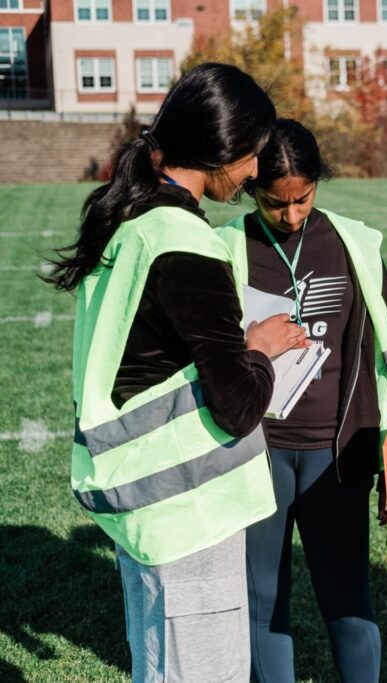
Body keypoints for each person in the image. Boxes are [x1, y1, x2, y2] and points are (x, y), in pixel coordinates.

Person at [46, 63, 307, 682]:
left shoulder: (129, 219)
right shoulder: (184, 239)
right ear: (228, 151)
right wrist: (261, 350)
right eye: (255, 157)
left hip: (141, 503)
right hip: (188, 506)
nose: (252, 177)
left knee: (159, 667)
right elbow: (238, 406)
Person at [216, 119, 387, 683]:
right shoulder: (227, 248)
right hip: (259, 450)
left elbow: (385, 362)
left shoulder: (356, 246)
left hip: (336, 451)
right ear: (252, 186)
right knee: (262, 598)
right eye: (277, 203)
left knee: (348, 597)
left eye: (303, 198)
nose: (293, 214)